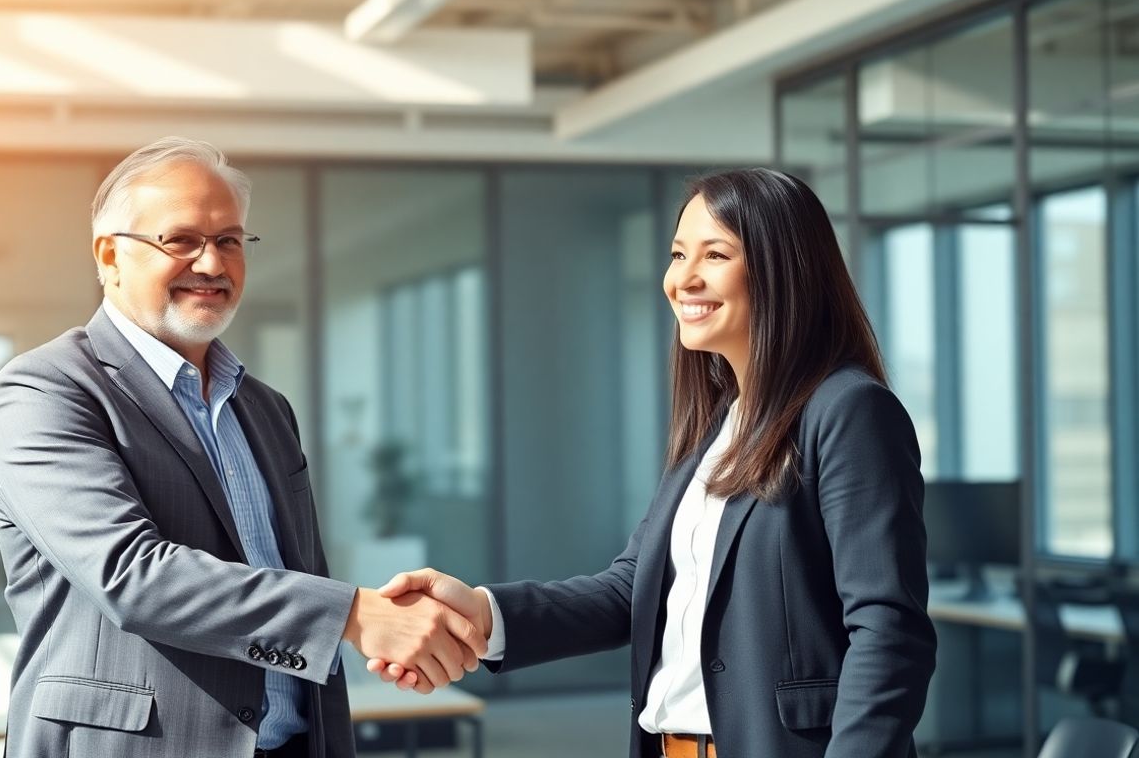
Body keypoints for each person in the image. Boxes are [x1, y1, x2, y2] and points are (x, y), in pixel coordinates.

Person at [367, 168, 937, 758]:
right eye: (676, 254)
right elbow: (630, 590)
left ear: (784, 269)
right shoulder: (720, 425)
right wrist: (483, 613)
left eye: (715, 254)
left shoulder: (848, 410)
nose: (682, 279)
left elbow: (888, 629)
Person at [0, 137, 485, 758]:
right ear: (110, 256)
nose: (211, 264)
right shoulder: (48, 389)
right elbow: (131, 576)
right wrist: (353, 617)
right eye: (181, 239)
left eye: (228, 240)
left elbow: (296, 575)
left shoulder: (266, 408)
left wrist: (377, 626)